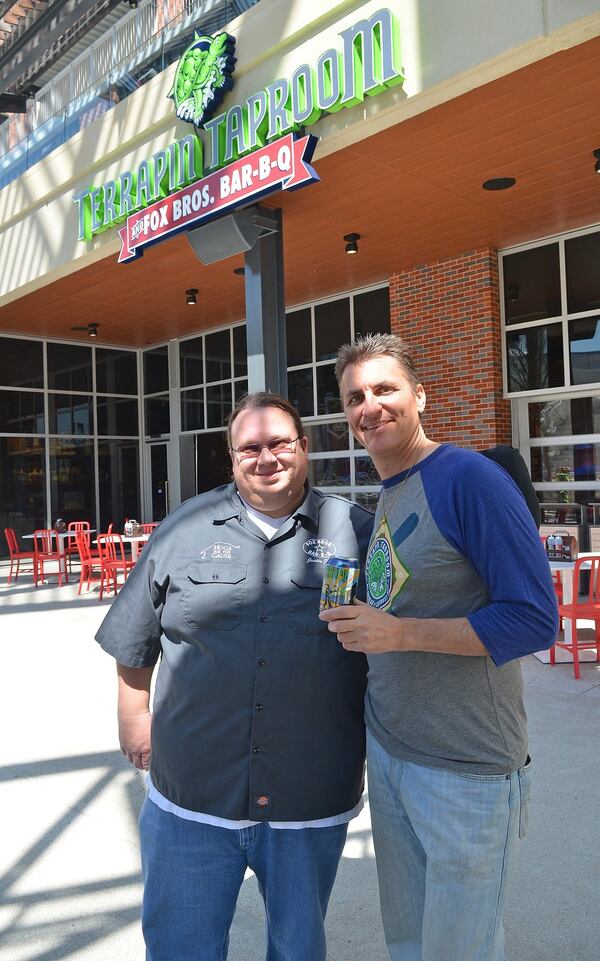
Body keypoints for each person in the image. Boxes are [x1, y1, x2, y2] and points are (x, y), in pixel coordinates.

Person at [95, 391, 373, 961]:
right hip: (192, 792)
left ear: (304, 447)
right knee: (181, 947)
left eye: (279, 443)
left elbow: (391, 648)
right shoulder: (186, 528)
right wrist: (132, 718)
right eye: (250, 447)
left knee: (297, 950)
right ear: (231, 457)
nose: (265, 457)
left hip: (309, 793)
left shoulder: (356, 531)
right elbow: (134, 635)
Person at [319, 334, 558, 961]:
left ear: (420, 395)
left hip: (466, 766)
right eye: (354, 397)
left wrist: (398, 634)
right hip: (393, 752)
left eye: (384, 389)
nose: (369, 407)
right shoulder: (390, 494)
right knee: (409, 939)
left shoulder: (469, 479)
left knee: (459, 948)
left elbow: (534, 620)